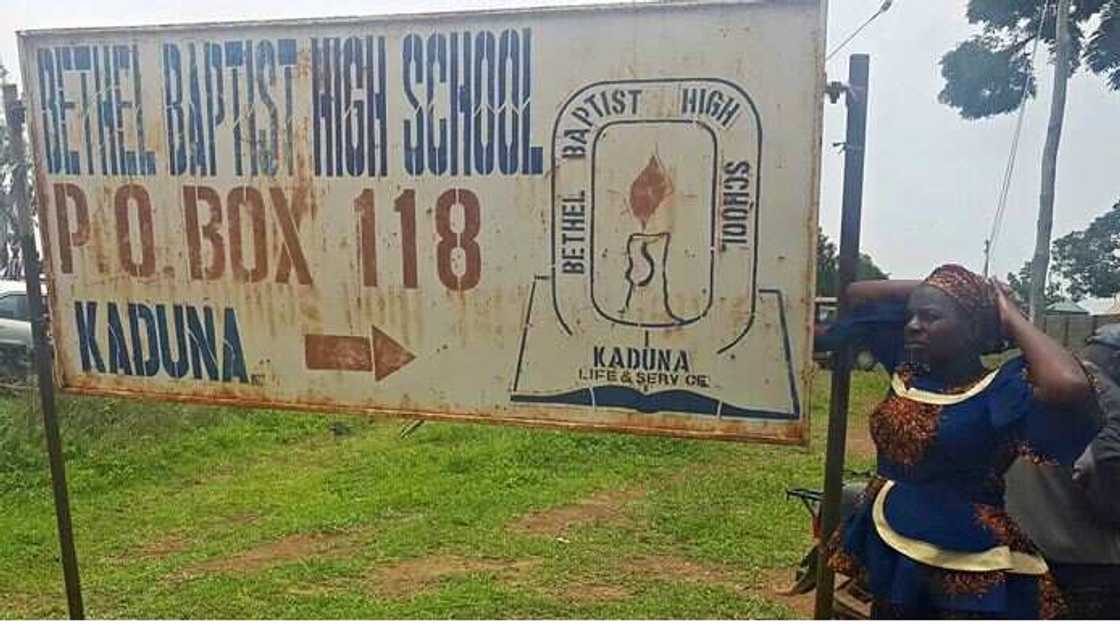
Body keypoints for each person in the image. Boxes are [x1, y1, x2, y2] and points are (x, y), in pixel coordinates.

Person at [819, 264, 1096, 619]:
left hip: (962, 552)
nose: (913, 325)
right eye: (912, 316)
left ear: (972, 328)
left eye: (931, 316)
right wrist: (956, 286)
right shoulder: (908, 370)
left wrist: (1005, 311)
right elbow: (858, 293)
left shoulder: (1000, 391)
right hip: (892, 536)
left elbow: (1068, 384)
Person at [1005, 323, 1120, 618]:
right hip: (1085, 564)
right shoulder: (1106, 396)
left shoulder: (1032, 379)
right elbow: (1099, 465)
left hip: (1018, 553)